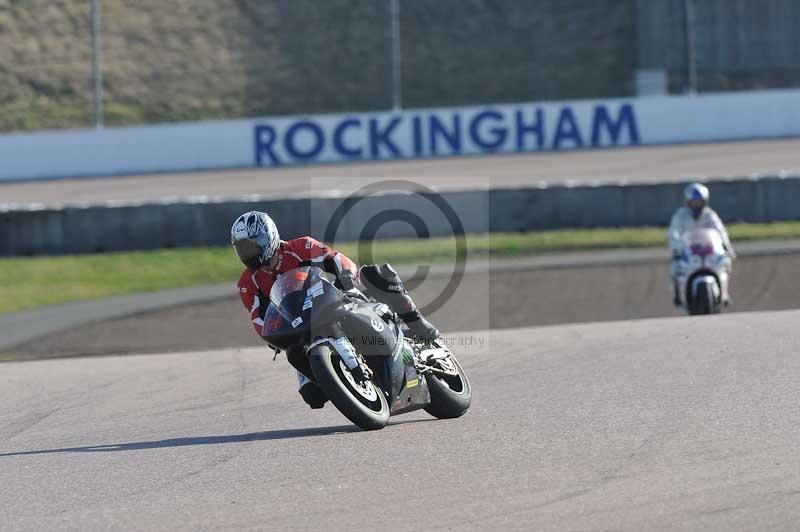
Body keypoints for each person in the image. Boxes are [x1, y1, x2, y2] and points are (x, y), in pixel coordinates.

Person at [230, 210, 439, 408]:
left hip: (334, 301)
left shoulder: (301, 246)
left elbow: (337, 259)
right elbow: (259, 319)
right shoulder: (248, 283)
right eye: (241, 249)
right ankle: (351, 385)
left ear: (268, 237)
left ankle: (416, 322)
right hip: (302, 328)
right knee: (313, 396)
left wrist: (347, 279)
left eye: (251, 247)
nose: (247, 254)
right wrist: (274, 336)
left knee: (375, 274)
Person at [667, 182, 735, 306]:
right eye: (693, 201)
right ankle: (677, 295)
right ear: (688, 202)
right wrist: (676, 249)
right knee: (674, 268)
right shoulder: (680, 216)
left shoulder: (710, 215)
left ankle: (724, 293)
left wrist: (727, 247)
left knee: (725, 263)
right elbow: (673, 233)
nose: (696, 204)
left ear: (704, 201)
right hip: (689, 252)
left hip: (709, 251)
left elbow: (720, 231)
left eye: (699, 201)